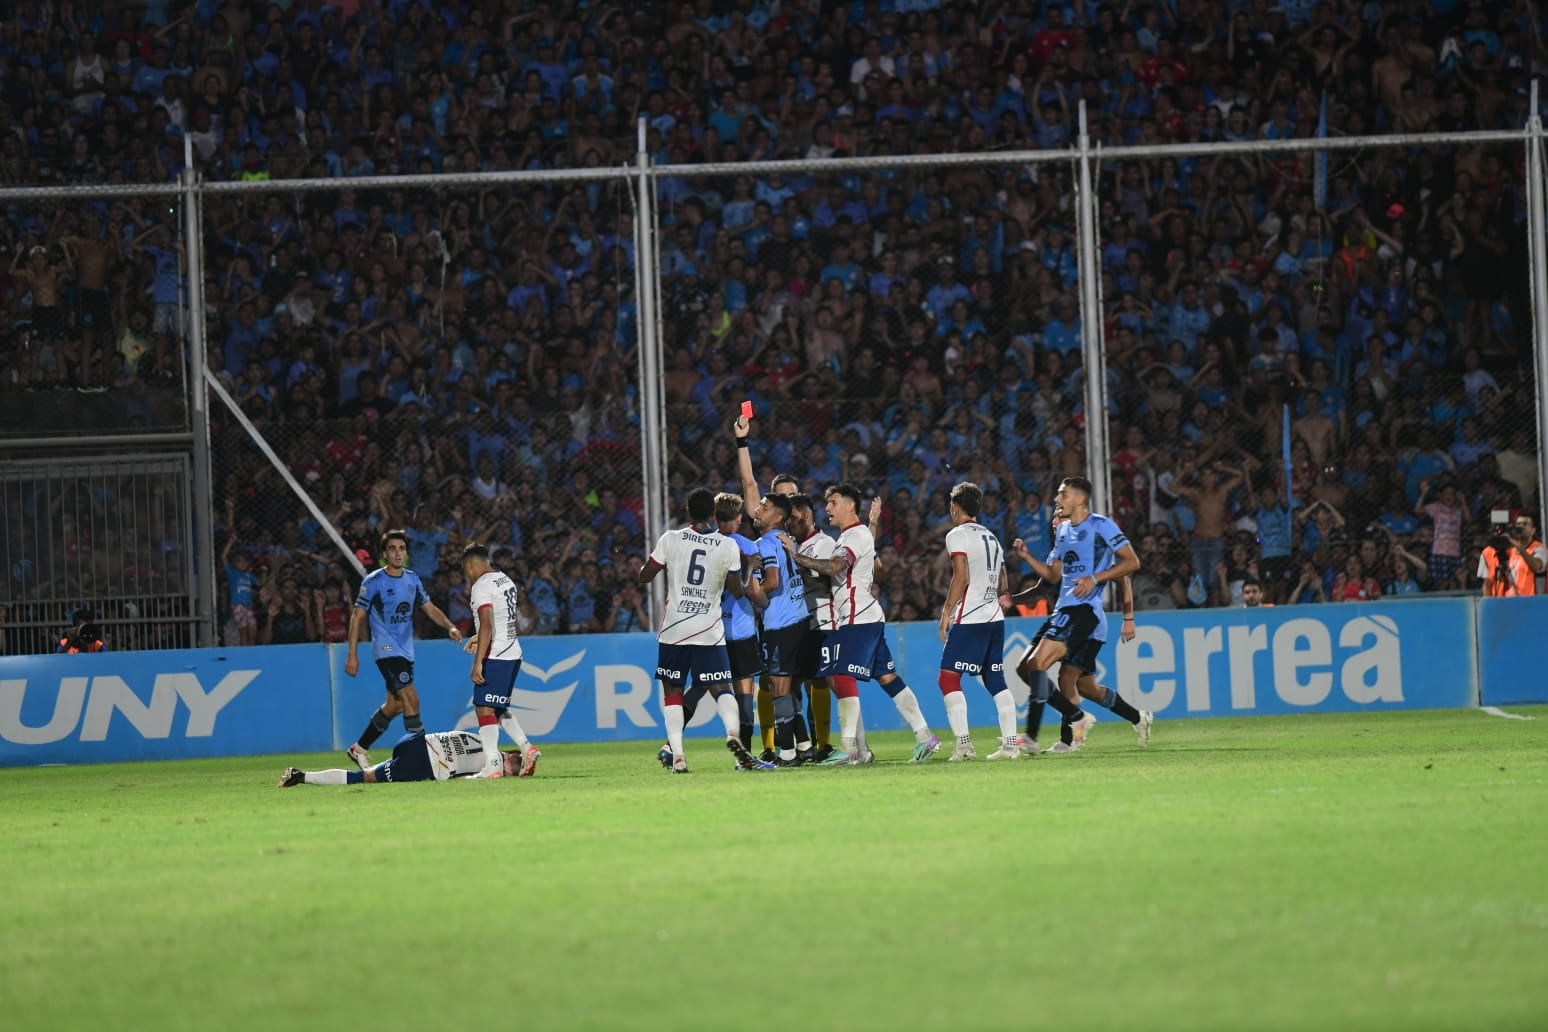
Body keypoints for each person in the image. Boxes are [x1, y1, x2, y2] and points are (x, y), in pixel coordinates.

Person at [783, 483, 941, 764]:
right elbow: (874, 567)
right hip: (867, 616)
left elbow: (834, 567)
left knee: (841, 675)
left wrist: (795, 555)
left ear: (848, 505)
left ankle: (850, 748)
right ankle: (924, 736)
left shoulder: (852, 537)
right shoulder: (856, 535)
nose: (827, 508)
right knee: (888, 679)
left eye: (832, 502)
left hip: (858, 618)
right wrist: (873, 526)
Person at [1010, 477, 1143, 754]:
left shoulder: (1101, 525)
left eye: (1063, 495)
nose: (1057, 501)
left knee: (1050, 671)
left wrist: (1097, 581)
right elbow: (1053, 577)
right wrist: (1027, 558)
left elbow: (1131, 564)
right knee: (1042, 673)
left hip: (1086, 612)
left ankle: (1041, 736)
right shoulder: (1062, 532)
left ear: (1080, 499)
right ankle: (1101, 717)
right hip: (1063, 610)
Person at [640, 487, 761, 773]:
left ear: (687, 511)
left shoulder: (671, 539)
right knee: (722, 688)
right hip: (709, 629)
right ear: (713, 516)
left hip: (674, 629)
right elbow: (738, 592)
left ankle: (678, 755)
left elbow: (645, 575)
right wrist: (747, 569)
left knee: (673, 690)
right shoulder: (727, 546)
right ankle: (733, 736)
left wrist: (663, 561)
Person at [733, 410, 831, 757]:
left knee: (795, 682)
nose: (788, 504)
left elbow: (771, 583)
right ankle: (784, 746)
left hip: (799, 618)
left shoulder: (807, 538)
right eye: (780, 497)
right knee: (780, 684)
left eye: (792, 498)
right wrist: (743, 442)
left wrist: (753, 587)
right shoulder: (778, 535)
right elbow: (748, 486)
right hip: (790, 617)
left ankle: (810, 746)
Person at [343, 530, 464, 771]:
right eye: (392, 549)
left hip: (406, 650)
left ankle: (359, 748)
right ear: (384, 554)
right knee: (412, 698)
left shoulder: (412, 580)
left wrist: (449, 626)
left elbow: (429, 608)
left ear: (407, 554)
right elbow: (357, 618)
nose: (397, 553)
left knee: (396, 705)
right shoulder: (374, 581)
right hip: (386, 649)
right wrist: (352, 654)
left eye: (401, 549)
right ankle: (418, 758)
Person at [937, 482, 1021, 761]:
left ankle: (964, 745)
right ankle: (1011, 745)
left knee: (948, 678)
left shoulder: (957, 535)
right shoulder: (993, 538)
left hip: (970, 616)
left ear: (955, 507)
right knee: (995, 677)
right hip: (995, 616)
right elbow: (1003, 583)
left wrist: (947, 612)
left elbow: (960, 576)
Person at [789, 492, 869, 764]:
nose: (790, 523)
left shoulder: (823, 543)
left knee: (838, 683)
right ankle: (826, 746)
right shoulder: (800, 547)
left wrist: (797, 569)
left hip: (827, 622)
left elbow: (828, 583)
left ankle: (860, 747)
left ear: (808, 515)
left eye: (794, 517)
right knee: (816, 683)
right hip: (807, 624)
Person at [745, 492, 813, 766]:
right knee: (788, 686)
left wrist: (749, 589)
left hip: (781, 623)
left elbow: (771, 582)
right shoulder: (787, 541)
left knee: (779, 688)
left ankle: (787, 754)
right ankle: (805, 746)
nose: (758, 509)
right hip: (798, 619)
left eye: (765, 506)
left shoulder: (764, 543)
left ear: (778, 517)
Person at [463, 542, 542, 778]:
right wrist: (478, 636)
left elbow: (487, 623)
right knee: (497, 707)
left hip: (496, 654)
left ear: (469, 566)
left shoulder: (481, 586)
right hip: (512, 651)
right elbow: (502, 618)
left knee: (483, 708)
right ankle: (527, 749)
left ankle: (493, 766)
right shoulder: (504, 579)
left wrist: (478, 662)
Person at [279, 729, 522, 786]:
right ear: (509, 755)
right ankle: (301, 777)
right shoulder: (496, 767)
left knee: (366, 774)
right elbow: (462, 778)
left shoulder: (482, 738)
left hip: (414, 741)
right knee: (363, 779)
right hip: (422, 763)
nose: (516, 766)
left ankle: (302, 775)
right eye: (517, 761)